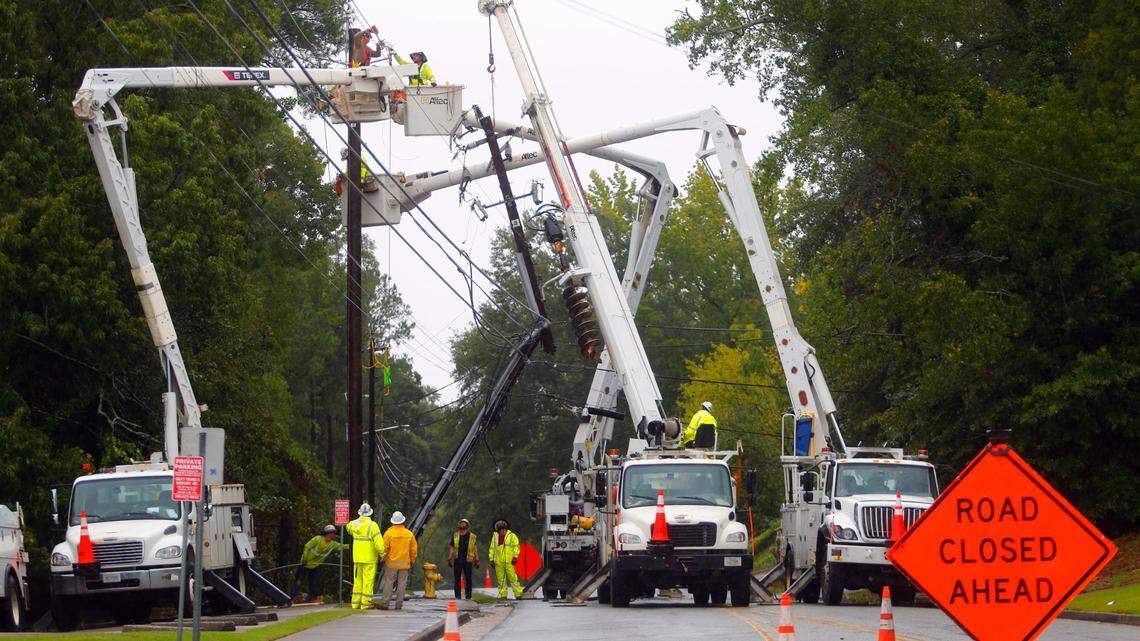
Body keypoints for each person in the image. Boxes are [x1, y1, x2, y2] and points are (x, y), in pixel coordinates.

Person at [346, 503, 387, 609]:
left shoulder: (353, 524)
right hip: (369, 558)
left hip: (357, 558)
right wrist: (382, 553)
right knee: (368, 582)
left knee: (358, 581)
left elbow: (348, 527)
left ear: (360, 513)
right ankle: (365, 604)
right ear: (370, 513)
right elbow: (378, 542)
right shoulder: (373, 525)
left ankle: (355, 604)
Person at [293, 524, 348, 602]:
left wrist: (356, 544)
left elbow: (344, 546)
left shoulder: (332, 544)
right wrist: (305, 558)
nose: (334, 535)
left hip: (315, 566)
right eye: (333, 533)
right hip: (305, 564)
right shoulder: (318, 539)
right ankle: (295, 596)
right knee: (299, 580)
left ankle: (311, 598)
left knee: (313, 582)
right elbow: (307, 547)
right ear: (328, 533)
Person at [379, 511, 418, 610]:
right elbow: (413, 550)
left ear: (393, 521)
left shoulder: (388, 533)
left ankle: (385, 603)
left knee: (389, 583)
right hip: (404, 564)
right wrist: (412, 560)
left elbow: (385, 549)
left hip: (391, 564)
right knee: (402, 584)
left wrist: (382, 559)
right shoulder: (409, 534)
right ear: (402, 521)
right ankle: (399, 605)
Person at [488, 519, 522, 599]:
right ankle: (503, 595)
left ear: (506, 528)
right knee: (501, 580)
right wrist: (491, 559)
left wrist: (515, 557)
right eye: (501, 529)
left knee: (513, 578)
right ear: (498, 530)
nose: (503, 531)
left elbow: (516, 547)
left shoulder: (512, 536)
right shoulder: (495, 537)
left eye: (504, 529)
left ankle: (518, 594)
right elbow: (492, 548)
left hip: (509, 561)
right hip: (498, 562)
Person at [447, 518, 480, 600]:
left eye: (464, 523)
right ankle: (457, 596)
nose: (462, 524)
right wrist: (449, 558)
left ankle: (468, 596)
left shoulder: (472, 536)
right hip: (458, 560)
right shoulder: (455, 535)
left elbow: (475, 548)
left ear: (467, 526)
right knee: (457, 579)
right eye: (461, 523)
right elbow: (452, 547)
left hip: (468, 560)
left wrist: (477, 559)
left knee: (468, 579)